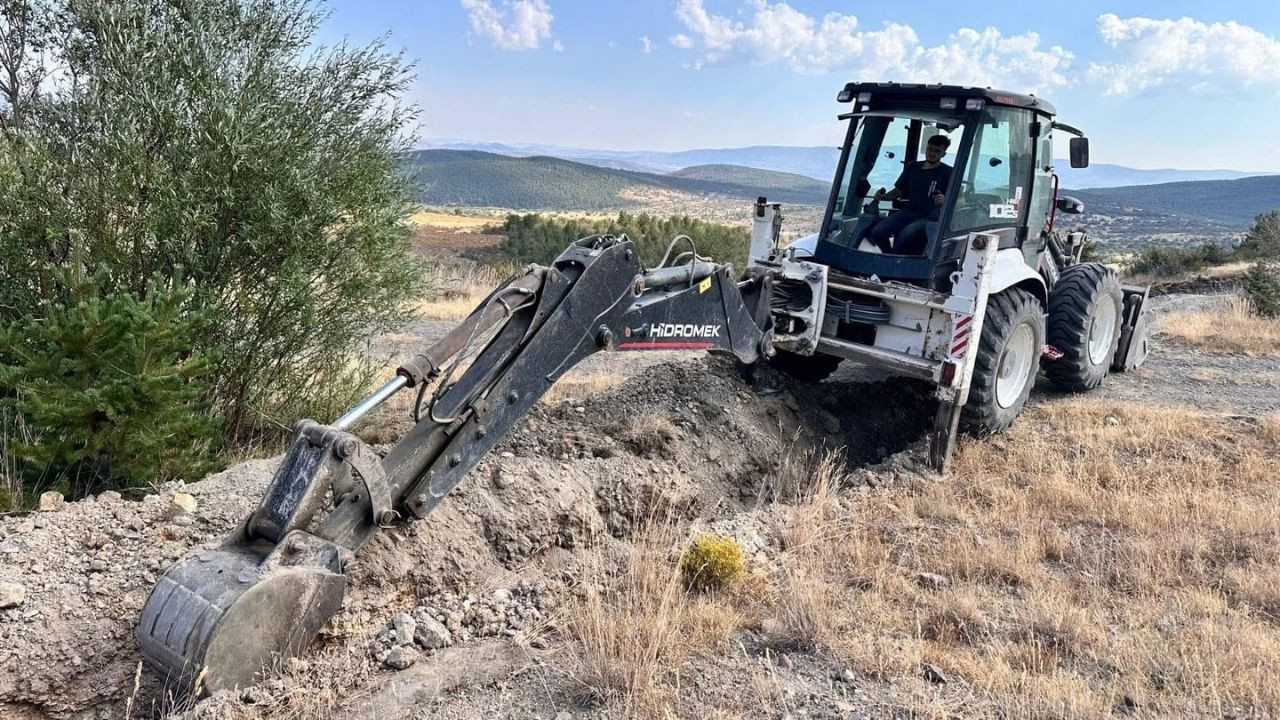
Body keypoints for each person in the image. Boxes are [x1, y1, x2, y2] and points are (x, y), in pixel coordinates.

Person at [868, 134, 953, 254]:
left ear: (943, 154)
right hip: (909, 211)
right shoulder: (913, 167)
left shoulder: (948, 172)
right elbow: (898, 191)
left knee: (906, 234)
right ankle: (888, 255)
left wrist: (945, 199)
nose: (932, 153)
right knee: (878, 231)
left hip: (929, 217)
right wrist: (883, 197)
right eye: (930, 149)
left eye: (937, 151)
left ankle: (894, 261)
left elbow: (960, 199)